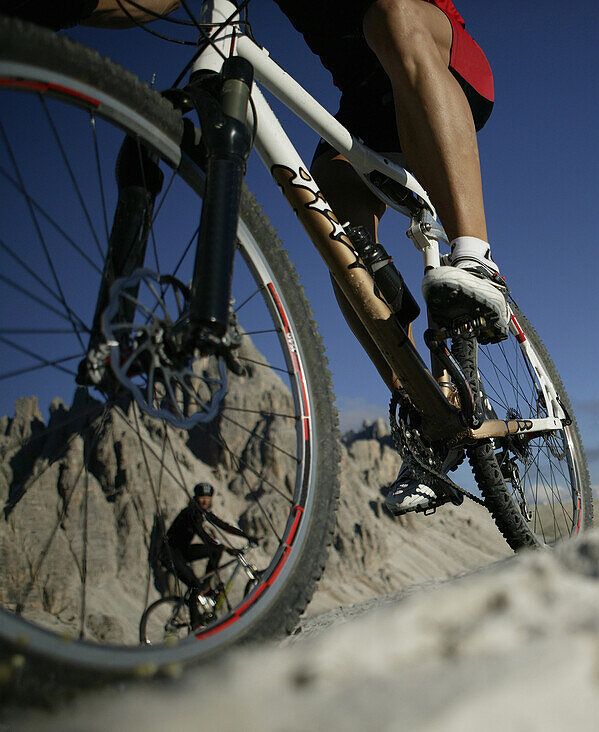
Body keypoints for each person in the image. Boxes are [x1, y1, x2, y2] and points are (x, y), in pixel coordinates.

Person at [7, 0, 502, 515]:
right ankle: (426, 409)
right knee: (335, 223)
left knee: (390, 16)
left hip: (439, 55)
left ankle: (475, 253)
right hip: (365, 107)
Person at [166, 482, 252, 624]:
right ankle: (195, 627)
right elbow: (204, 536)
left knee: (214, 551)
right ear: (196, 498)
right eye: (202, 497)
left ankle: (205, 587)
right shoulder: (191, 513)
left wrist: (246, 536)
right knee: (194, 585)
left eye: (208, 497)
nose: (205, 500)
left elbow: (224, 526)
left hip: (183, 551)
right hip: (170, 554)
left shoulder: (202, 513)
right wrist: (226, 549)